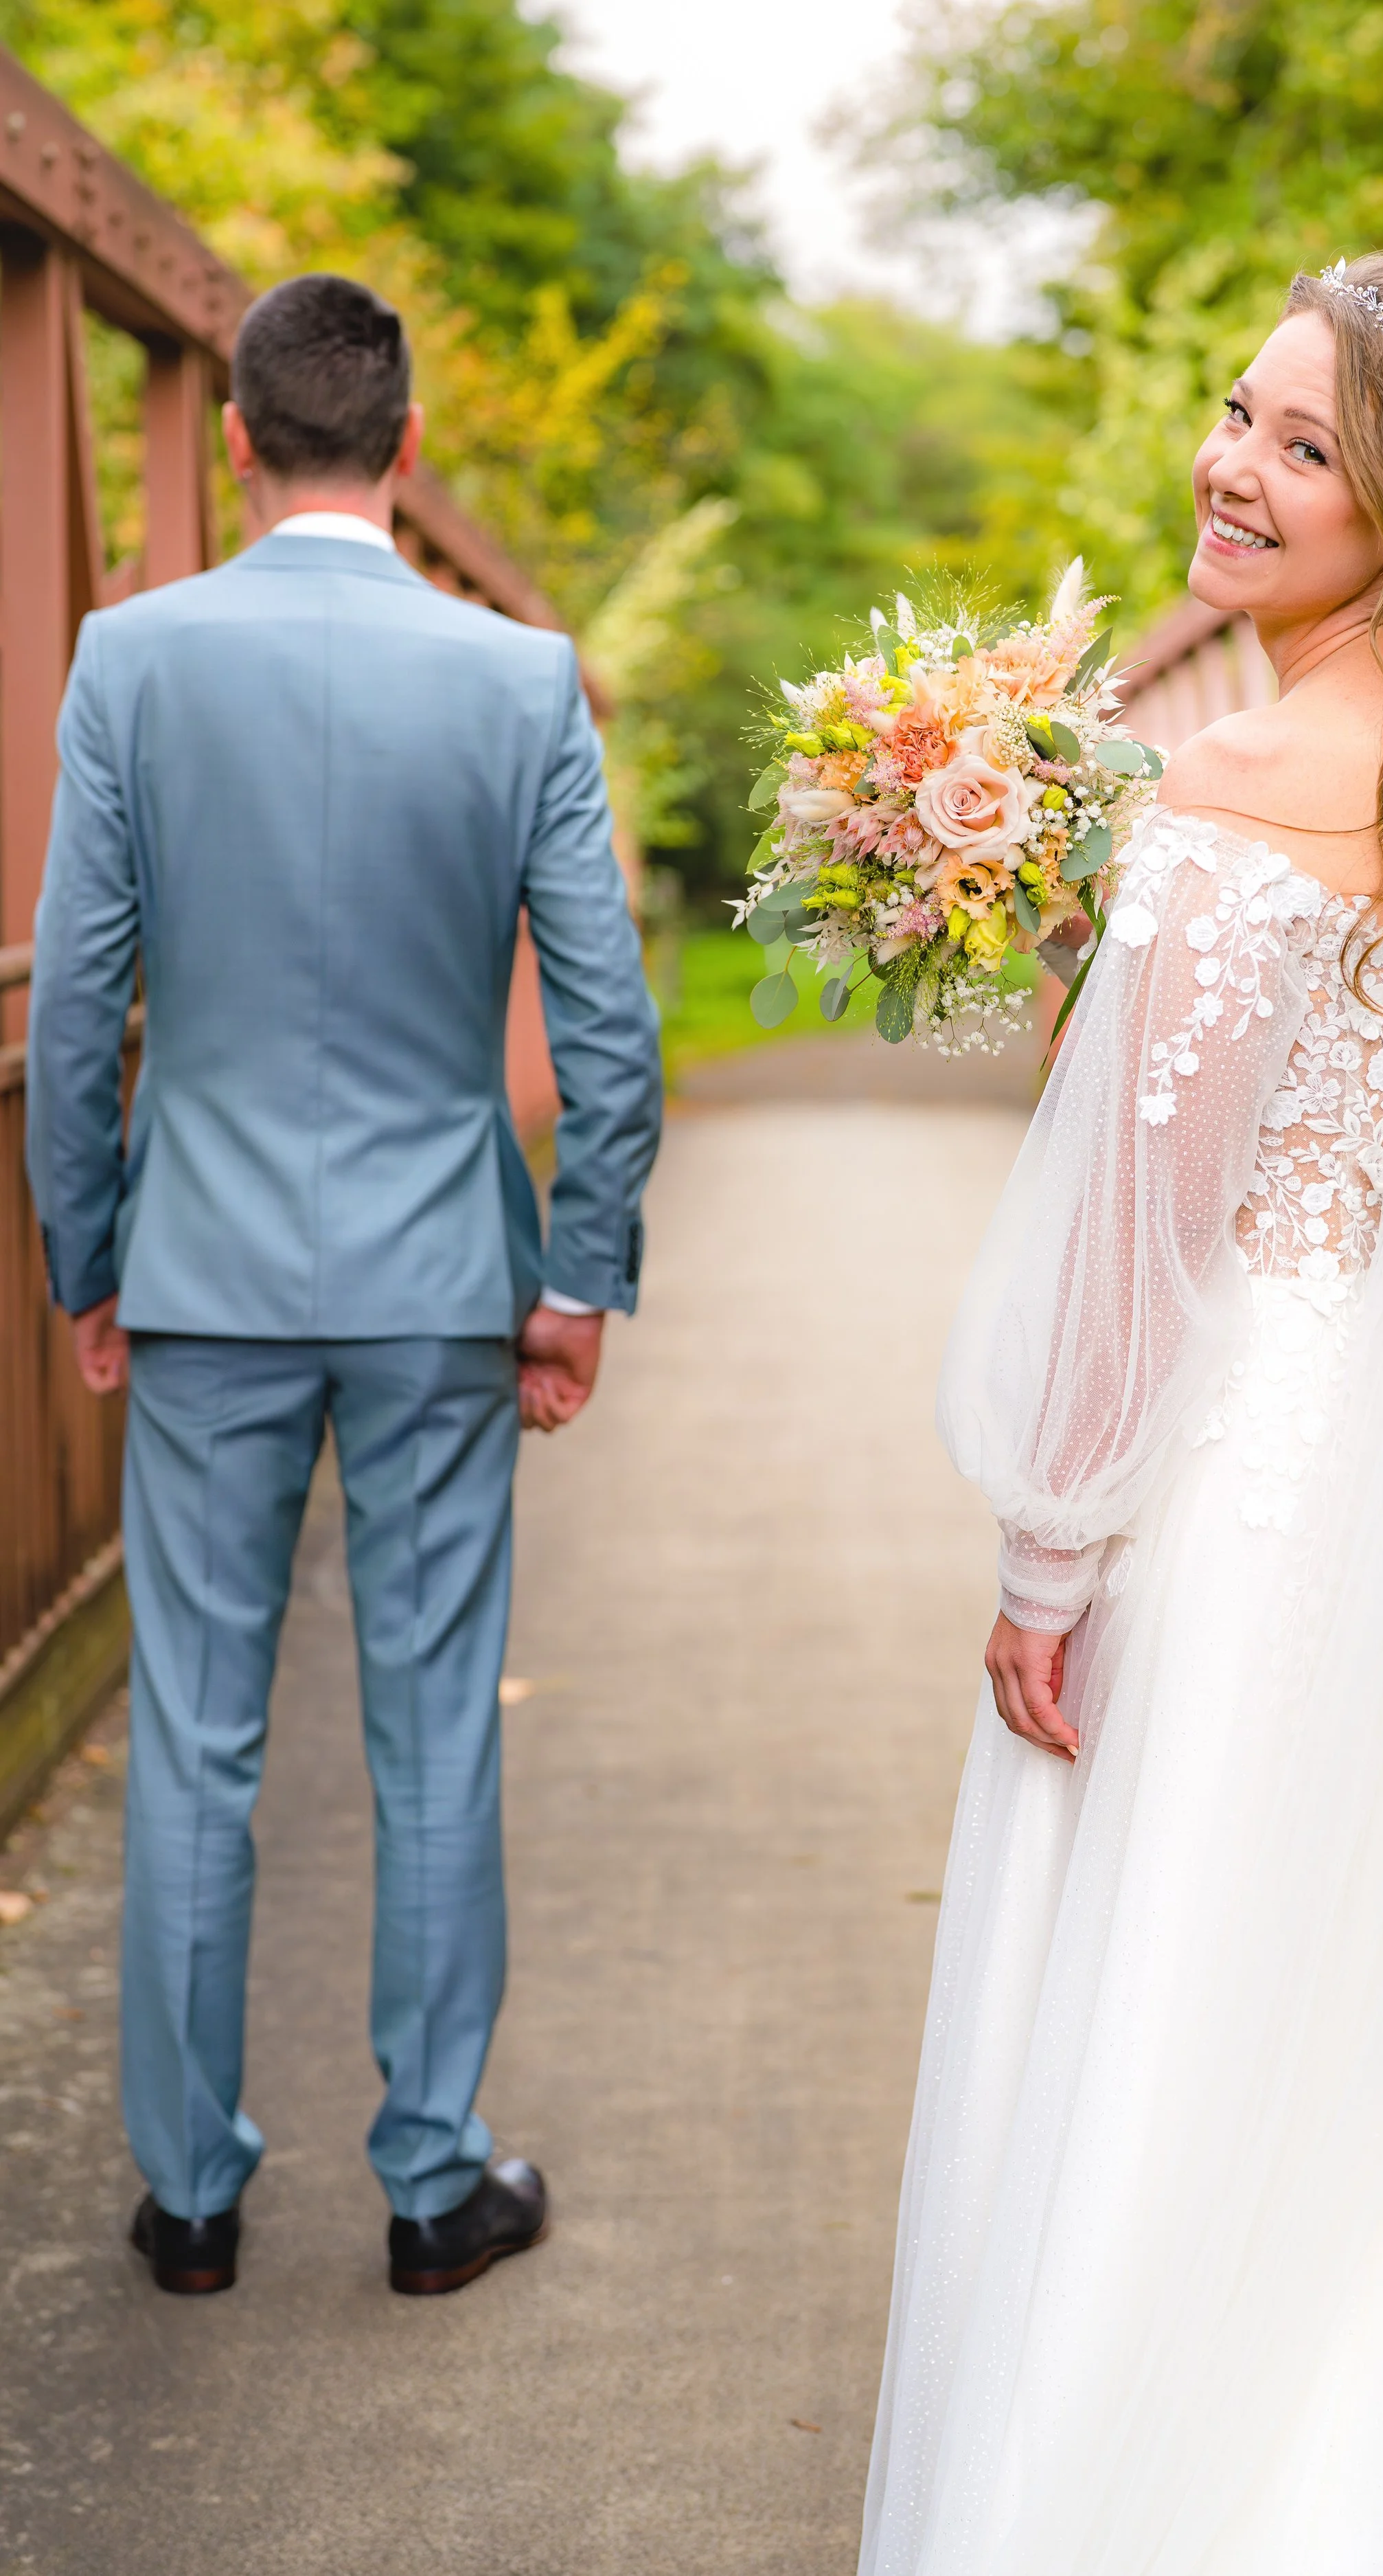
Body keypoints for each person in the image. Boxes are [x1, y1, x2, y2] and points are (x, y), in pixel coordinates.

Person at [860, 256, 1383, 2570]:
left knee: (1176, 2008)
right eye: (1236, 415)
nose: (1231, 469)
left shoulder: (1238, 779)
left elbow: (1145, 1234)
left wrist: (1053, 1555)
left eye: (1301, 448)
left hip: (1236, 1487)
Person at [25, 273, 662, 2298]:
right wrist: (573, 1280)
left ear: (232, 441)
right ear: (406, 448)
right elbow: (608, 1022)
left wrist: (89, 1259)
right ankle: (431, 2180)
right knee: (430, 1723)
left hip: (201, 1274)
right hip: (433, 1286)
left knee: (199, 1728)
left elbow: (78, 995)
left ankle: (195, 2195)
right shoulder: (516, 679)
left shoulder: (131, 657)